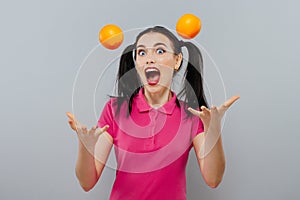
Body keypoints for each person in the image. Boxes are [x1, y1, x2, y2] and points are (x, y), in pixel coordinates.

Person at [67, 26, 240, 200]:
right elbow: (86, 183)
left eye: (159, 51)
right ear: (136, 63)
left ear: (177, 60)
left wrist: (214, 131)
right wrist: (85, 147)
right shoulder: (114, 109)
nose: (149, 59)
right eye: (142, 53)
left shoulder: (192, 115)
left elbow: (214, 179)